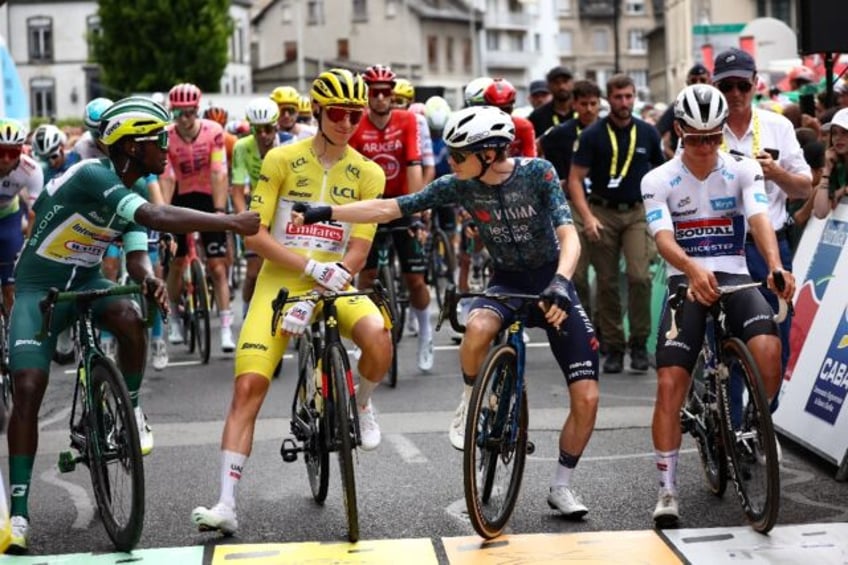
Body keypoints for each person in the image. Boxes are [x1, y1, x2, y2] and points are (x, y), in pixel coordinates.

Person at [293, 105, 601, 519]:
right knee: (475, 329)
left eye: (458, 155)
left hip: (552, 282)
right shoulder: (459, 184)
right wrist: (328, 212)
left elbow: (569, 234)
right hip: (508, 281)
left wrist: (562, 283)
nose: (450, 161)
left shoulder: (538, 173)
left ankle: (562, 486)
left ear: (489, 153)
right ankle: (472, 397)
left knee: (587, 395)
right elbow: (390, 208)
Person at [5, 96, 260, 554]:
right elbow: (158, 216)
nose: (166, 148)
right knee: (27, 387)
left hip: (83, 277)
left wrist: (150, 281)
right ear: (130, 145)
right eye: (158, 140)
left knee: (128, 314)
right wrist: (229, 222)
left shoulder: (131, 192)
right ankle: (19, 513)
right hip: (38, 287)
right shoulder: (94, 176)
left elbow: (139, 257)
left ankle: (133, 407)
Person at [190, 69, 391, 536]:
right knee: (248, 389)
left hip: (335, 282)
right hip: (281, 283)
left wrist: (333, 277)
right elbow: (255, 234)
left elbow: (360, 245)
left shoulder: (369, 172)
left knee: (380, 336)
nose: (347, 122)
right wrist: (308, 269)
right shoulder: (281, 159)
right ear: (317, 111)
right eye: (338, 113)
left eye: (355, 114)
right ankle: (225, 503)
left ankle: (361, 404)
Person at [642, 84, 795, 527]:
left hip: (733, 274)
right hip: (684, 278)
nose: (707, 147)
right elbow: (663, 237)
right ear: (678, 133)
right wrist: (691, 269)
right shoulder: (658, 180)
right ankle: (667, 489)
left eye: (714, 137)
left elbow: (761, 218)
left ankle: (751, 423)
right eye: (696, 138)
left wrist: (774, 265)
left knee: (767, 348)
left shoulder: (744, 169)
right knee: (671, 381)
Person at [712, 48, 812, 386]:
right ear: (716, 88)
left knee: (775, 342)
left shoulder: (778, 125)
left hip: (770, 248)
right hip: (723, 250)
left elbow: (803, 189)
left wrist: (776, 173)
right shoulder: (704, 130)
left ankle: (763, 423)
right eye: (727, 87)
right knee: (728, 343)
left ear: (755, 84)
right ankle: (733, 429)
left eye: (743, 85)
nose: (736, 94)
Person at [567, 74, 665, 374]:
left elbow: (662, 173)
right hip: (602, 212)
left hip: (636, 212)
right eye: (619, 97)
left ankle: (638, 343)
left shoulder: (648, 132)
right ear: (609, 99)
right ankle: (613, 346)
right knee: (607, 283)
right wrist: (587, 217)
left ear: (635, 97)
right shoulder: (593, 134)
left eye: (629, 96)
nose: (624, 102)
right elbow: (574, 180)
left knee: (639, 277)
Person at [350, 64, 432, 372]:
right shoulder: (356, 124)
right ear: (367, 95)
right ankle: (365, 338)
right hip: (371, 204)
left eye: (387, 93)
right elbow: (354, 172)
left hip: (400, 202)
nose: (382, 98)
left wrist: (413, 210)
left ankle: (425, 334)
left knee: (415, 279)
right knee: (367, 276)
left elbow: (413, 163)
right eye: (376, 93)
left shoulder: (408, 119)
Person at [159, 83, 237, 353]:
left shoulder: (213, 132)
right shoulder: (166, 136)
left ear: (197, 110)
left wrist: (219, 212)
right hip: (180, 197)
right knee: (178, 264)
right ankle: (175, 320)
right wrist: (164, 216)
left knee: (217, 266)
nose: (184, 119)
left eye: (190, 112)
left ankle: (226, 328)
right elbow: (166, 178)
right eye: (179, 113)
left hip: (207, 196)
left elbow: (219, 172)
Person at [540, 80, 602, 321]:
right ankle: (583, 319)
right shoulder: (558, 134)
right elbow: (541, 157)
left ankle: (604, 327)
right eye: (583, 104)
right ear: (574, 104)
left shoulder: (607, 130)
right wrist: (557, 182)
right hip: (570, 204)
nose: (588, 109)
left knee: (609, 276)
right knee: (577, 271)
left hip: (602, 203)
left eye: (593, 104)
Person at [230, 97, 281, 314]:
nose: (263, 135)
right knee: (253, 272)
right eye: (257, 130)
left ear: (276, 126)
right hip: (257, 208)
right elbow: (238, 191)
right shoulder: (242, 146)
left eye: (268, 129)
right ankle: (247, 309)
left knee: (283, 269)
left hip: (283, 208)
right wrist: (244, 221)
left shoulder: (289, 143)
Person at [0, 119, 43, 312]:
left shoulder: (31, 170)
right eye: (1, 152)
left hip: (10, 218)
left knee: (10, 287)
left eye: (13, 152)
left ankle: (10, 335)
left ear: (21, 150)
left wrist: (29, 247)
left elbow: (35, 213)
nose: (6, 159)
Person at [656, 63, 711, 159]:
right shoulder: (677, 107)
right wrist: (673, 158)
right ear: (688, 83)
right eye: (694, 81)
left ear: (709, 82)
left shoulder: (718, 106)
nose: (698, 84)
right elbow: (656, 133)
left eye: (702, 80)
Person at [482, 78, 537, 157]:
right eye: (496, 110)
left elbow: (531, 158)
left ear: (512, 106)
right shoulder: (480, 127)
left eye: (506, 109)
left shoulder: (524, 126)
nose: (502, 114)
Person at [814, 108, 848, 218]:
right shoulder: (837, 167)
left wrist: (842, 191)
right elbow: (820, 212)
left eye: (844, 132)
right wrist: (827, 171)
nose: (838, 138)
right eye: (834, 133)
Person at [528, 65, 575, 139]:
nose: (561, 86)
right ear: (549, 86)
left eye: (565, 81)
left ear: (572, 83)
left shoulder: (582, 111)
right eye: (556, 83)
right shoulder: (537, 116)